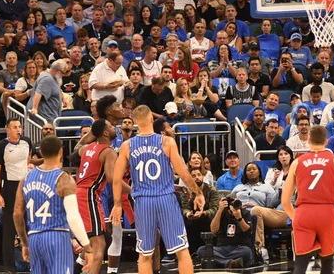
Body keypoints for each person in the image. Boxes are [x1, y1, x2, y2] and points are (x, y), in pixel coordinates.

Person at [110, 105, 205, 274]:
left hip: (143, 202)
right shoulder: (166, 141)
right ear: (152, 120)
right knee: (181, 251)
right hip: (165, 198)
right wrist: (198, 192)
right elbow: (182, 172)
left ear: (135, 123)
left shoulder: (127, 145)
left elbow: (116, 179)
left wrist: (117, 204)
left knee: (145, 255)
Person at [281, 125, 334, 274]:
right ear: (326, 141)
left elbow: (285, 200)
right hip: (328, 213)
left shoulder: (297, 162)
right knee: (327, 264)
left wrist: (295, 217)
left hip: (304, 213)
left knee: (300, 265)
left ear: (309, 140)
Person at [13, 135, 92, 274]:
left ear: (41, 153)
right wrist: (87, 247)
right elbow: (73, 217)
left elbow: (18, 213)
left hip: (34, 238)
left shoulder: (25, 179)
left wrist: (24, 243)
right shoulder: (64, 179)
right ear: (61, 152)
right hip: (57, 236)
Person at [76, 119, 129, 273]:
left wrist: (92, 133)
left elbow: (77, 147)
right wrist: (133, 191)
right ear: (105, 133)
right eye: (111, 126)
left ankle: (80, 267)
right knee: (99, 245)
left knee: (98, 241)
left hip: (83, 195)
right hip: (88, 195)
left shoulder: (88, 147)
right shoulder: (108, 151)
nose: (115, 128)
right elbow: (113, 179)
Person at [0, 119, 35, 272]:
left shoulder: (27, 142)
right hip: (9, 187)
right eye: (15, 127)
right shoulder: (0, 146)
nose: (18, 130)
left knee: (29, 223)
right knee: (10, 227)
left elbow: (27, 160)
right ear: (7, 130)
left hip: (26, 185)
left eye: (19, 127)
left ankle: (33, 262)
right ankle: (9, 266)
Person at [196, 195, 253, 269]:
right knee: (201, 250)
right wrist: (219, 210)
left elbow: (248, 231)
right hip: (221, 248)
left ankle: (219, 261)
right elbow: (213, 230)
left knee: (247, 251)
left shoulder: (244, 213)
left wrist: (239, 218)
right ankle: (229, 263)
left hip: (238, 247)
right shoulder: (221, 212)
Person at [181, 167, 219, 253]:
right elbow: (185, 207)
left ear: (203, 177)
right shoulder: (187, 192)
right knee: (185, 221)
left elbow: (214, 209)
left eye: (199, 175)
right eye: (193, 176)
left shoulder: (212, 190)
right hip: (192, 218)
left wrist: (203, 213)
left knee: (206, 220)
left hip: (208, 218)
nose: (197, 177)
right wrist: (188, 213)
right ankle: (189, 252)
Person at [27, 59, 66, 123]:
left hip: (49, 115)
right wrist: (34, 108)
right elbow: (38, 93)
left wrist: (62, 98)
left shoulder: (53, 77)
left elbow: (55, 89)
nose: (64, 75)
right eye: (63, 73)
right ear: (57, 70)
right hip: (45, 118)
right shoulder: (47, 79)